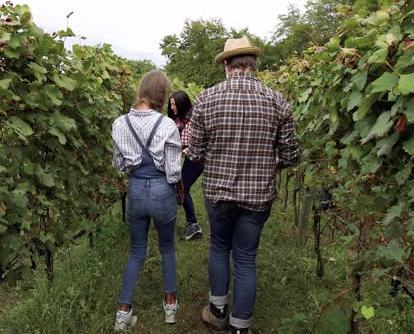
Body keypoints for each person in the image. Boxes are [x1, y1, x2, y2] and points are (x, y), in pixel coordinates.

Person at [188, 38, 300, 334]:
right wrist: (264, 162)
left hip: (218, 193)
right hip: (258, 195)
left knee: (220, 247)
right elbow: (290, 155)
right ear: (254, 64)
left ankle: (217, 311)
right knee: (246, 258)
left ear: (226, 64)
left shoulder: (205, 99)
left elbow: (196, 153)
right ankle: (240, 327)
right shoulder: (277, 100)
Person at [111, 70, 185, 331]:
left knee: (137, 252)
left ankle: (123, 313)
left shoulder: (119, 124)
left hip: (136, 192)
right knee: (167, 249)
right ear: (163, 94)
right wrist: (178, 190)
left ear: (141, 91)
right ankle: (170, 307)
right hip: (162, 191)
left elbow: (119, 164)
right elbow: (174, 171)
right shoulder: (167, 125)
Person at [168, 91, 204, 240]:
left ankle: (193, 225)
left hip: (197, 159)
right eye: (171, 104)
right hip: (189, 158)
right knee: (181, 188)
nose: (172, 107)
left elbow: (196, 145)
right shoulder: (177, 120)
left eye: (174, 104)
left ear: (182, 104)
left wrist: (180, 148)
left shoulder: (193, 120)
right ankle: (189, 222)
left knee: (182, 187)